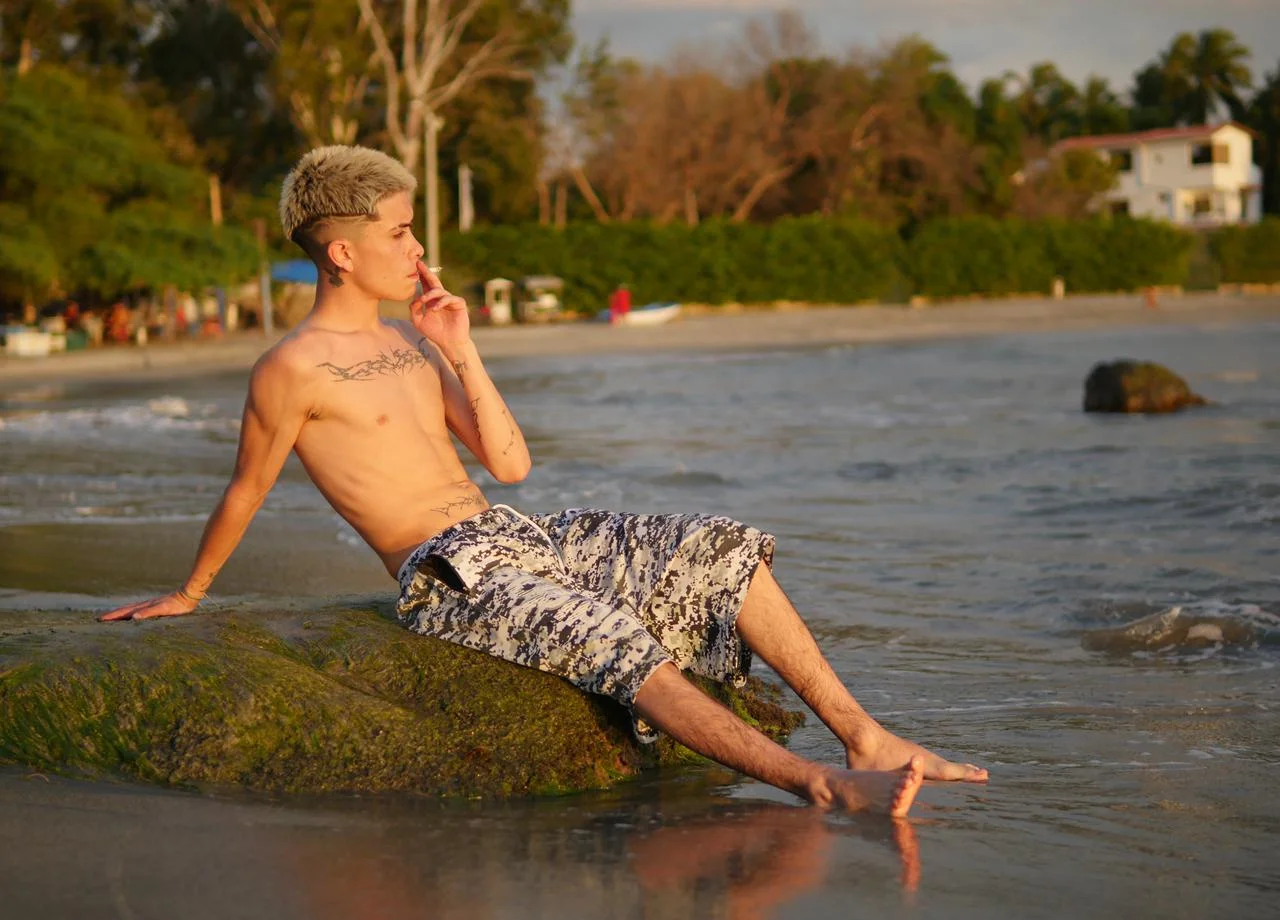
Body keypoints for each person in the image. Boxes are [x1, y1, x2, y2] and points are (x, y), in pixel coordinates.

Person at [101, 146, 988, 817]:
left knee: (719, 548)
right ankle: (818, 785)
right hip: (445, 573)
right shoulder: (290, 367)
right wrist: (191, 592)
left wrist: (461, 348)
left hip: (514, 532)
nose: (418, 248)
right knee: (617, 641)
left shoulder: (410, 341)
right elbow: (246, 487)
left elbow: (511, 464)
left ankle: (863, 736)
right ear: (340, 252)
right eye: (399, 232)